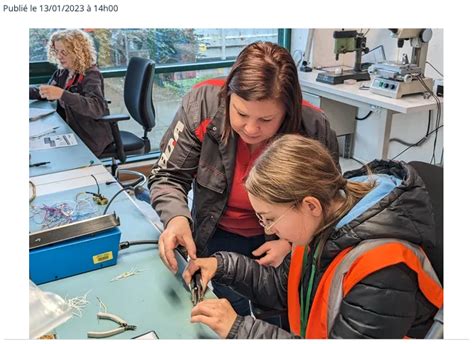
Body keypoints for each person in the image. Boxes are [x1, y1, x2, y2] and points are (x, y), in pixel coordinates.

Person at [183, 134, 443, 339]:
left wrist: (241, 330)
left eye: (270, 218)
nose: (268, 230)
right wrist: (222, 265)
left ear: (310, 205)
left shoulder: (384, 272)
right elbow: (281, 288)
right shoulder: (322, 222)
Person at [148, 41, 339, 317]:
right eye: (241, 113)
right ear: (228, 96)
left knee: (276, 315)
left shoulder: (313, 128)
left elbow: (330, 205)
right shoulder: (202, 105)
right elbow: (168, 175)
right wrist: (176, 218)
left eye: (266, 119)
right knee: (215, 306)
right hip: (214, 233)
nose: (251, 128)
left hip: (281, 241)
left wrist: (291, 243)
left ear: (288, 111)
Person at [29, 29, 113, 157]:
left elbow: (96, 107)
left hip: (89, 137)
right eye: (56, 51)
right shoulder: (63, 73)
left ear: (78, 52)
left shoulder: (91, 74)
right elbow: (46, 91)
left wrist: (62, 94)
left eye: (64, 52)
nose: (59, 56)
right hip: (70, 131)